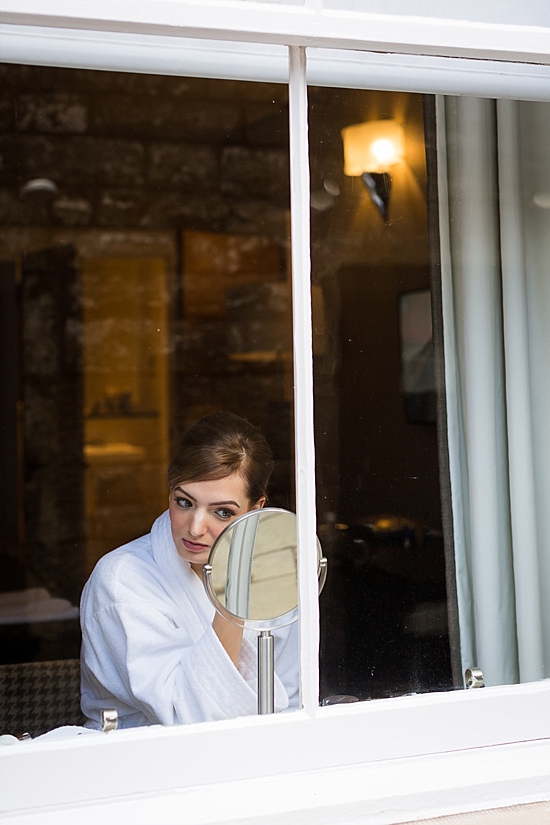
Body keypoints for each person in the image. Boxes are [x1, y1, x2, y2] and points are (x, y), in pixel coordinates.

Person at [80, 412, 299, 729]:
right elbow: (184, 716)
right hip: (141, 765)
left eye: (222, 512)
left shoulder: (277, 577)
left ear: (256, 511)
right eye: (184, 502)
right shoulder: (121, 580)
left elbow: (291, 700)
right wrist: (232, 598)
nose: (195, 528)